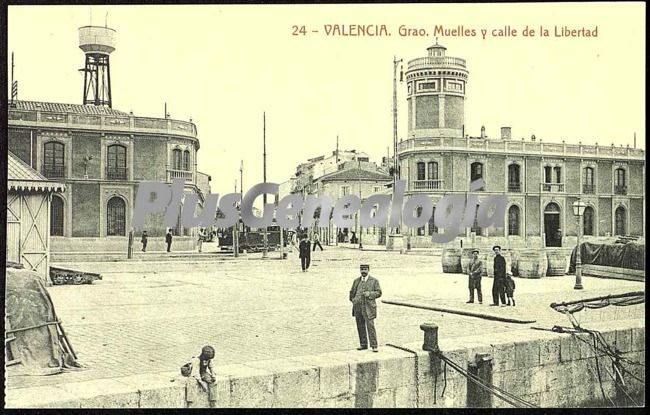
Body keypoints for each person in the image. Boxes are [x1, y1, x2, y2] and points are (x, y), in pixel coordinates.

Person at [349, 264, 382, 352]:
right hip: (357, 307)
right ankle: (363, 344)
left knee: (370, 326)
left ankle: (374, 345)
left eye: (365, 269)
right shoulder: (356, 281)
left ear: (368, 270)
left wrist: (370, 294)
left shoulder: (374, 281)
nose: (363, 271)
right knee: (360, 326)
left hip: (368, 308)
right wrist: (353, 300)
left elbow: (379, 292)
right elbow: (352, 292)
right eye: (362, 269)